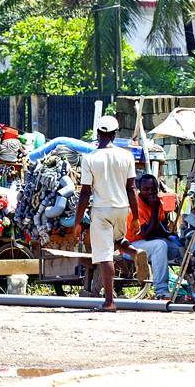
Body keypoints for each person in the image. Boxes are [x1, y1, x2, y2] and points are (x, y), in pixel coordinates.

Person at [73, 115, 137, 312]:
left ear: (98, 134)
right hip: (122, 208)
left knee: (104, 255)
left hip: (101, 210)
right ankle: (136, 252)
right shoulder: (127, 156)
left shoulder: (89, 158)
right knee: (117, 240)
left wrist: (77, 221)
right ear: (115, 134)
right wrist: (137, 216)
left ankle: (109, 302)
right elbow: (131, 188)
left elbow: (85, 193)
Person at [126, 174, 182, 299]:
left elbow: (159, 228)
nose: (150, 192)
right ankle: (161, 291)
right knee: (160, 245)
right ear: (140, 189)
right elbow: (147, 233)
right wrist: (155, 209)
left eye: (153, 189)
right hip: (131, 245)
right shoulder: (135, 205)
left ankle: (194, 285)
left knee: (183, 247)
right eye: (146, 189)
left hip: (150, 242)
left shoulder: (157, 201)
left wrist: (172, 237)